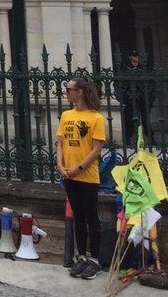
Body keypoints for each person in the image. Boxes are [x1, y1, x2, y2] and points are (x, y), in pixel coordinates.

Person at [55, 75, 106, 280]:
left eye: (69, 89)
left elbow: (96, 149)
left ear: (80, 92)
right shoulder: (66, 115)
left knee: (91, 216)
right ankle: (82, 256)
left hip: (86, 175)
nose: (66, 93)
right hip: (69, 173)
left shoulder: (96, 118)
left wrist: (79, 167)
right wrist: (60, 165)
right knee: (77, 216)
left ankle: (95, 259)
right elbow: (60, 142)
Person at [116, 50, 155, 148]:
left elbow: (149, 84)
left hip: (142, 98)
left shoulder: (143, 68)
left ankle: (151, 139)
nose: (136, 58)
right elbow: (122, 85)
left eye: (137, 56)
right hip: (130, 98)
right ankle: (128, 140)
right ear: (131, 57)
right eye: (134, 56)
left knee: (145, 119)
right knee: (129, 120)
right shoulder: (125, 69)